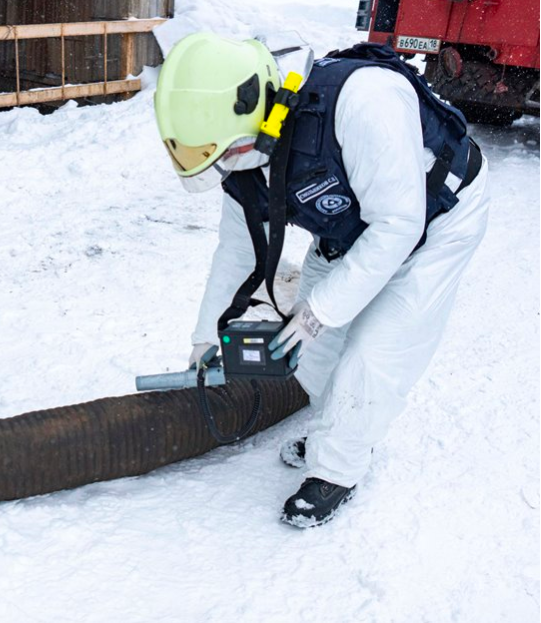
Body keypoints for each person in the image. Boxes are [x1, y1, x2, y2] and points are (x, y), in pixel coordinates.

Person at [154, 33, 489, 527]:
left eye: (227, 154)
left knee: (373, 356)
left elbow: (399, 226)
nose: (227, 168)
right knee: (313, 356)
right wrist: (205, 336)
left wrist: (319, 311)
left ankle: (337, 469)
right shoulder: (240, 149)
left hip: (434, 222)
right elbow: (238, 250)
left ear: (258, 115)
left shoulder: (361, 102)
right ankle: (339, 426)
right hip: (350, 228)